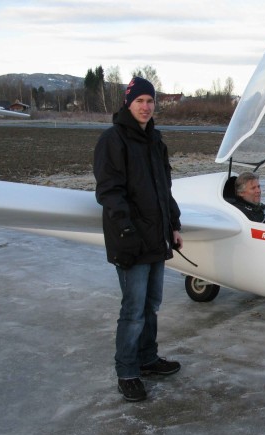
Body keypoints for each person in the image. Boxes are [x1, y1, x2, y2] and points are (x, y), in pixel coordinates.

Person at [94, 77, 183, 402]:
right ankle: (128, 371)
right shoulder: (113, 140)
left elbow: (164, 191)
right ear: (127, 103)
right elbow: (109, 192)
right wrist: (126, 232)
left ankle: (147, 358)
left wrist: (174, 225)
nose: (146, 107)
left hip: (156, 238)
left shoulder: (155, 141)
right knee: (133, 310)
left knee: (151, 305)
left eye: (150, 101)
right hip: (130, 240)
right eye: (139, 101)